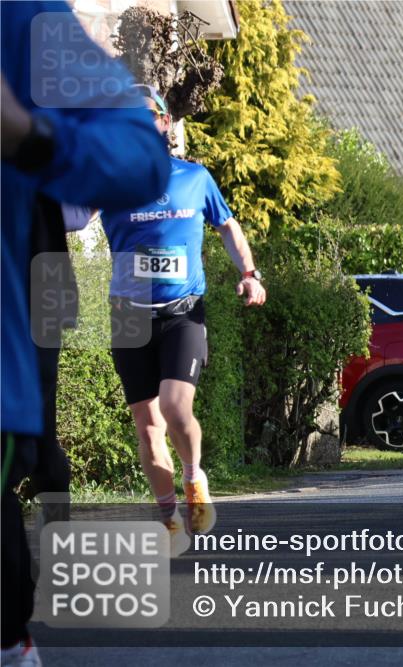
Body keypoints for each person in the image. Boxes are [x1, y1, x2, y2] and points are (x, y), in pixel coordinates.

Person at [2, 3, 171, 662]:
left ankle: (56, 519)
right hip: (88, 289)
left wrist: (29, 136)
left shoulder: (21, 21)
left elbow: (89, 203)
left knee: (43, 436)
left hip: (48, 286)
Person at [102, 86, 266, 550]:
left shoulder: (194, 178)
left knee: (175, 407)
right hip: (128, 314)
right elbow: (66, 214)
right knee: (147, 423)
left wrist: (249, 273)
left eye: (146, 117)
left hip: (182, 312)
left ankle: (195, 479)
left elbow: (227, 225)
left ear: (165, 123)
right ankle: (168, 515)